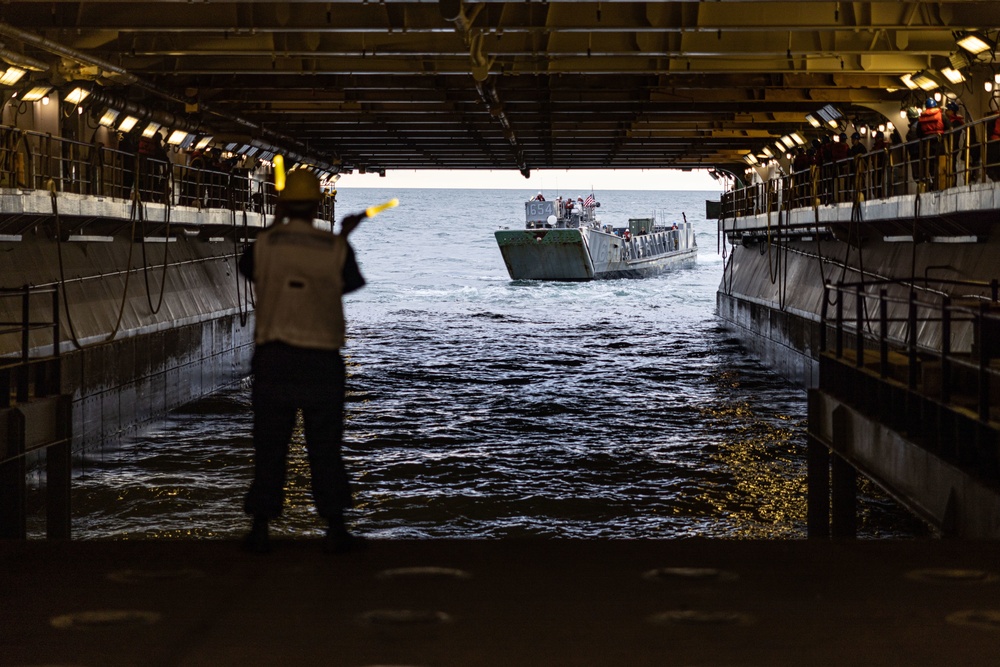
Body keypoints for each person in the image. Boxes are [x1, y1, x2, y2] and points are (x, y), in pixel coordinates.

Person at [239, 169, 368, 554]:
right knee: (325, 446)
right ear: (317, 204)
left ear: (281, 204)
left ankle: (260, 527)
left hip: (274, 359)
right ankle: (335, 526)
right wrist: (343, 235)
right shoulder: (333, 247)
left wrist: (277, 224)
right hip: (320, 360)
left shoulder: (264, 245)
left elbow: (250, 270)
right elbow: (348, 282)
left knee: (269, 446)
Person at [915, 98, 952, 189]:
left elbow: (918, 133)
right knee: (942, 163)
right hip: (940, 143)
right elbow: (949, 128)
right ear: (935, 105)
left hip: (927, 145)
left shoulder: (921, 118)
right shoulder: (941, 115)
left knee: (929, 164)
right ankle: (943, 183)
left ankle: (931, 183)